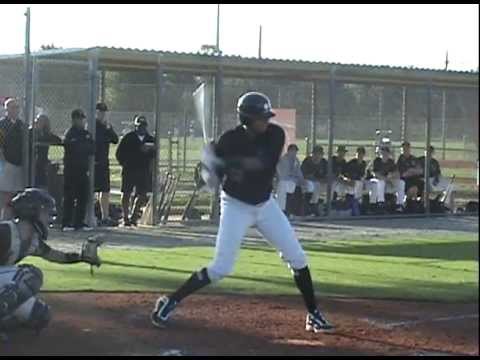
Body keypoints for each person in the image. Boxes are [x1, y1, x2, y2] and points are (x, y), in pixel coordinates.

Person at [150, 92, 334, 334]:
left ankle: (313, 315)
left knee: (298, 258)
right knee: (221, 268)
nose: (266, 121)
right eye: (261, 117)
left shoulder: (275, 135)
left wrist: (225, 162)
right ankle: (170, 301)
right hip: (236, 206)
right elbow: (207, 180)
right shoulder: (229, 140)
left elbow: (261, 164)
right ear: (247, 118)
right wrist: (208, 164)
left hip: (266, 205)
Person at [0, 188, 100, 334]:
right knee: (30, 275)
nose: (49, 218)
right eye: (45, 212)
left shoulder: (31, 239)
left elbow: (55, 255)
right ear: (32, 211)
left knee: (39, 315)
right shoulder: (5, 232)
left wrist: (82, 257)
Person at [115, 115, 155, 227]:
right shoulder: (129, 138)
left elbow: (154, 155)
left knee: (142, 194)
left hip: (143, 171)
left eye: (143, 126)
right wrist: (125, 163)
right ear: (135, 126)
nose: (141, 128)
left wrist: (149, 151)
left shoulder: (150, 139)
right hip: (129, 170)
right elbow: (119, 154)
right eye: (139, 126)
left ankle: (134, 215)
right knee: (126, 193)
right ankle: (125, 217)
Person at [62, 109, 95, 231]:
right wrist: (82, 145)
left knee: (83, 197)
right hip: (71, 170)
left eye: (82, 119)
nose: (81, 121)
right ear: (74, 120)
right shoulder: (70, 133)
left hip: (82, 170)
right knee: (69, 196)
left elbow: (92, 148)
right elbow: (71, 147)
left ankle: (79, 223)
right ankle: (66, 223)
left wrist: (82, 145)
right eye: (79, 119)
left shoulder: (86, 133)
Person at [0, 98, 25, 220]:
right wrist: (3, 160)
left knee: (18, 193)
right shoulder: (2, 124)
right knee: (6, 193)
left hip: (20, 163)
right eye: (13, 107)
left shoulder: (22, 125)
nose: (16, 110)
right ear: (6, 109)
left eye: (17, 107)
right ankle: (5, 220)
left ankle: (15, 218)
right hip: (7, 163)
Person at [94, 102, 119, 226]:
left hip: (104, 162)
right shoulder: (92, 126)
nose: (102, 115)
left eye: (104, 113)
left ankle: (105, 217)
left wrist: (108, 128)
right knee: (91, 190)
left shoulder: (106, 127)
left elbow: (115, 140)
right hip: (93, 162)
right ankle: (91, 216)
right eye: (100, 112)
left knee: (105, 190)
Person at [418, 145, 456, 212]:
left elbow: (438, 173)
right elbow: (417, 172)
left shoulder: (435, 162)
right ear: (424, 152)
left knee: (451, 186)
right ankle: (422, 206)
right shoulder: (420, 160)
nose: (429, 153)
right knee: (426, 186)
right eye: (427, 151)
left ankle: (446, 205)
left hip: (434, 179)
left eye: (431, 152)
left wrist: (437, 178)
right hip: (424, 179)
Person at [29, 114, 62, 189]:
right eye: (36, 121)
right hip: (32, 170)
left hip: (46, 171)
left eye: (39, 122)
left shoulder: (55, 139)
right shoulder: (30, 136)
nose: (36, 123)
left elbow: (57, 160)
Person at [370, 146, 405, 213]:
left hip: (389, 182)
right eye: (383, 152)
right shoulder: (377, 161)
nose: (384, 153)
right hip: (377, 181)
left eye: (386, 152)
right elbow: (375, 174)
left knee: (401, 182)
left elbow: (397, 173)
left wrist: (391, 176)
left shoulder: (391, 162)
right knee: (381, 182)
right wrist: (387, 179)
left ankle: (400, 204)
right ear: (380, 153)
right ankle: (381, 203)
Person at [276, 143, 305, 216]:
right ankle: (284, 211)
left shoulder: (296, 160)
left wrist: (302, 180)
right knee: (288, 186)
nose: (294, 153)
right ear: (288, 151)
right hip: (284, 181)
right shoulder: (284, 160)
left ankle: (301, 211)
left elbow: (299, 172)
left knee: (305, 186)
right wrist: (296, 180)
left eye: (295, 151)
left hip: (292, 181)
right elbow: (284, 175)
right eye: (292, 151)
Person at [301, 145, 328, 216]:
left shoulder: (324, 162)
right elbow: (305, 175)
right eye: (315, 153)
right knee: (315, 185)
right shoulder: (307, 161)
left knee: (324, 186)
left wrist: (323, 180)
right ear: (312, 154)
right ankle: (312, 206)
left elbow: (327, 175)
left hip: (318, 182)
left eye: (319, 154)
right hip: (306, 182)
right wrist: (317, 180)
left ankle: (320, 207)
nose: (317, 155)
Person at [342, 146, 368, 216]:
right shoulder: (352, 163)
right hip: (349, 182)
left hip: (357, 182)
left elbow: (362, 176)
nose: (360, 155)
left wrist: (363, 181)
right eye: (358, 153)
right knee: (357, 184)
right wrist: (349, 180)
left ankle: (362, 205)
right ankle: (356, 207)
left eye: (362, 154)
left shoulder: (363, 163)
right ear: (356, 154)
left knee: (362, 184)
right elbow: (345, 174)